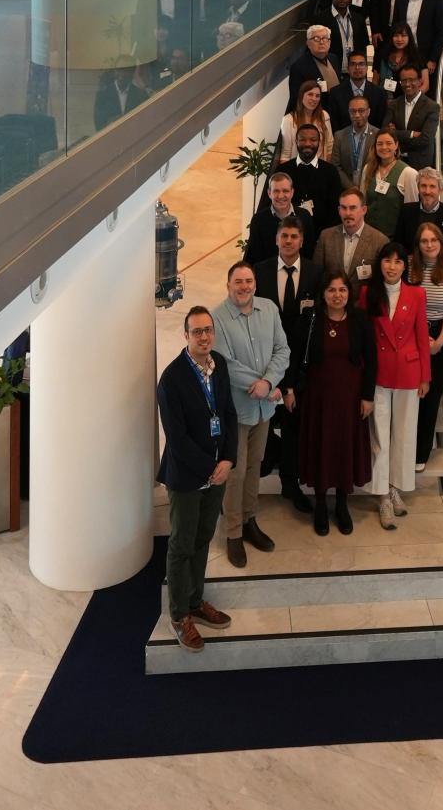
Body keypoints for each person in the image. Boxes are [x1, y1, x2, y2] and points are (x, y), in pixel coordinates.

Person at [156, 306, 238, 652]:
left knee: (204, 536)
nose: (204, 337)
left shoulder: (218, 365)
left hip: (217, 471)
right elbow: (177, 437)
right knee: (181, 545)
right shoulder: (171, 380)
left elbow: (229, 415)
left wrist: (229, 459)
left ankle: (194, 600)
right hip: (189, 476)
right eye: (197, 332)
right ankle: (178, 615)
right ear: (185, 335)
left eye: (208, 330)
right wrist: (211, 467)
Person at [283, 271, 376, 536]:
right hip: (317, 399)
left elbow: (371, 361)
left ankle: (342, 504)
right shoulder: (310, 319)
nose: (337, 295)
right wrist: (289, 389)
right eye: (332, 290)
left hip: (350, 400)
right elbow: (293, 355)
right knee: (321, 447)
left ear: (349, 293)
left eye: (342, 290)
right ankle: (321, 504)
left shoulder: (360, 320)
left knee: (344, 449)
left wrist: (367, 396)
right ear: (323, 294)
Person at [212, 262, 290, 568]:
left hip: (264, 407)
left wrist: (269, 382)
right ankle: (233, 533)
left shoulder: (268, 309)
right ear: (228, 285)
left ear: (255, 284)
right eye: (238, 282)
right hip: (237, 410)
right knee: (236, 472)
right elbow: (225, 363)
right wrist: (257, 385)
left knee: (255, 465)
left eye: (248, 281)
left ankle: (249, 519)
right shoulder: (219, 317)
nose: (244, 287)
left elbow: (282, 350)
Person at [253, 215, 322, 514]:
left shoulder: (315, 273)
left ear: (302, 240)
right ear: (277, 239)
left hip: (302, 362)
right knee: (264, 418)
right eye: (285, 236)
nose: (289, 241)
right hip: (266, 361)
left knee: (294, 422)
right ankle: (267, 459)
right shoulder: (262, 271)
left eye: (295, 236)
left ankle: (290, 483)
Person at [359, 243, 430, 530]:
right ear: (380, 264)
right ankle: (381, 495)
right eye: (387, 261)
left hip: (409, 373)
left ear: (405, 266)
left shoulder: (416, 293)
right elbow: (364, 338)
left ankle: (395, 487)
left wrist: (425, 375)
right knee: (379, 436)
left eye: (398, 262)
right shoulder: (367, 294)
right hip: (378, 374)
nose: (392, 266)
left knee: (403, 433)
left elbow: (422, 335)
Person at [408, 224, 443, 470]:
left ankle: (420, 453)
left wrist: (440, 341)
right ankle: (404, 447)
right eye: (424, 241)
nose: (429, 245)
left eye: (433, 240)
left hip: (439, 333)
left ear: (441, 243)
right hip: (411, 332)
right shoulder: (410, 266)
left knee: (431, 398)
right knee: (411, 395)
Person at [312, 186, 388, 292]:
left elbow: (382, 282)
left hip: (364, 305)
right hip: (333, 304)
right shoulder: (326, 237)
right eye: (344, 208)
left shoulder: (380, 241)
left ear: (364, 210)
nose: (348, 213)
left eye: (353, 208)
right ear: (339, 210)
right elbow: (316, 276)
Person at [274, 124, 343, 237]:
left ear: (319, 142)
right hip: (289, 235)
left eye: (313, 140)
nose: (307, 144)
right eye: (302, 140)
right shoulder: (283, 170)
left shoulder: (330, 171)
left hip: (321, 236)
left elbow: (335, 207)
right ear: (296, 141)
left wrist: (325, 236)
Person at [393, 0, 443, 95]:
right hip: (405, 55)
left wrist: (433, 59)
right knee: (403, 92)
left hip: (426, 58)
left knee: (426, 95)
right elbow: (396, 27)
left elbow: (442, 33)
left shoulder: (437, 0)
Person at [395, 166, 443, 265]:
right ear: (418, 188)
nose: (427, 191)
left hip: (439, 271)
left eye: (432, 186)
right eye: (423, 186)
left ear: (440, 190)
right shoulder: (406, 211)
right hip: (410, 269)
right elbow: (398, 245)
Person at [245, 172, 316, 266]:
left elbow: (309, 251)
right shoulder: (258, 220)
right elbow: (255, 255)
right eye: (276, 191)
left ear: (292, 192)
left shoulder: (304, 216)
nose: (281, 196)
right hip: (268, 275)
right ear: (269, 193)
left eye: (285, 191)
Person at [361, 127, 418, 239]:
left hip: (394, 238)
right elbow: (363, 201)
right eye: (380, 144)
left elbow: (411, 213)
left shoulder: (408, 173)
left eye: (389, 143)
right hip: (369, 235)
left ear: (396, 145)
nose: (384, 147)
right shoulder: (368, 169)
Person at [384, 64, 440, 171]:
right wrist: (411, 134)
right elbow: (385, 132)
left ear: (420, 81)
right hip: (395, 162)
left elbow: (425, 139)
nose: (407, 84)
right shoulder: (393, 104)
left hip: (419, 163)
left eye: (411, 80)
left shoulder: (432, 107)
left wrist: (398, 142)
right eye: (404, 80)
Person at [327, 51, 387, 133]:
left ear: (367, 68)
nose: (357, 67)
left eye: (361, 64)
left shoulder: (379, 93)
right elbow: (335, 125)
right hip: (345, 141)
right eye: (353, 64)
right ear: (347, 69)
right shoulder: (335, 93)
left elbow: (380, 123)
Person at [319, 0, 369, 76]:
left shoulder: (358, 19)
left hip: (355, 73)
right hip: (331, 72)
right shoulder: (321, 20)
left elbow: (363, 47)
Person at [287, 25, 341, 111]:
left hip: (334, 111)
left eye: (325, 38)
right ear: (308, 43)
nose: (321, 42)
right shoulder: (299, 67)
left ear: (329, 43)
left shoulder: (334, 59)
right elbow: (296, 98)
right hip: (313, 114)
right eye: (316, 38)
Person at [280, 80, 333, 163]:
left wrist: (325, 169)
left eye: (317, 96)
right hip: (296, 169)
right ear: (301, 96)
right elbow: (285, 154)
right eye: (310, 94)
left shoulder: (324, 115)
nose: (314, 99)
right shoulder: (288, 120)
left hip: (319, 167)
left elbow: (330, 147)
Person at [330, 96, 378, 189]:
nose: (356, 115)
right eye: (353, 111)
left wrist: (366, 186)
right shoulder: (339, 136)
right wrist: (350, 187)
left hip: (371, 189)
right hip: (346, 190)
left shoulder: (378, 135)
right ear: (349, 112)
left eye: (361, 110)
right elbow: (335, 165)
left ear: (368, 112)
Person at [372, 21, 425, 97]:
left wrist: (412, 98)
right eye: (396, 36)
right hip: (385, 100)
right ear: (391, 37)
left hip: (409, 101)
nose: (399, 39)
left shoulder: (417, 56)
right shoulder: (382, 55)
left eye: (403, 36)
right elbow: (375, 82)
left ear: (409, 37)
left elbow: (425, 84)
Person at [93, 59, 148, 131]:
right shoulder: (103, 94)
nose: (122, 74)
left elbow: (145, 121)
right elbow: (99, 123)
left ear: (132, 72)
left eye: (126, 70)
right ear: (114, 71)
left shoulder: (141, 95)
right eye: (119, 70)